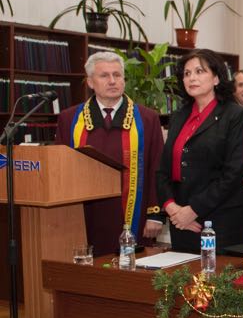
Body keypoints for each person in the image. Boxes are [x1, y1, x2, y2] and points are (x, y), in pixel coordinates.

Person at [55, 51, 165, 255]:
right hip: (84, 215)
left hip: (135, 216)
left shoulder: (147, 119)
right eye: (104, 75)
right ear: (90, 82)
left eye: (118, 75)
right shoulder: (69, 119)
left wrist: (154, 214)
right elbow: (59, 169)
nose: (112, 81)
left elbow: (157, 168)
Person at [157, 49, 243, 254]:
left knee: (219, 283)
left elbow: (233, 175)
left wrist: (193, 210)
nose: (192, 78)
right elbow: (163, 169)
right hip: (181, 221)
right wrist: (173, 209)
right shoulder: (178, 117)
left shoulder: (236, 116)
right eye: (187, 73)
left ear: (216, 78)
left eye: (199, 71)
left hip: (222, 221)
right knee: (182, 282)